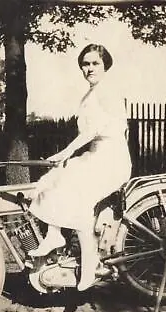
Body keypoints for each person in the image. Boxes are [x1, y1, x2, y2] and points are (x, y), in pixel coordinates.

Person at [28, 43, 132, 291]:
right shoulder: (90, 94)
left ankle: (89, 267)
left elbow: (94, 130)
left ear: (105, 65)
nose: (89, 68)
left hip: (111, 160)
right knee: (52, 179)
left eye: (95, 63)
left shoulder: (107, 90)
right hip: (97, 156)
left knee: (78, 195)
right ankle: (55, 234)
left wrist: (66, 152)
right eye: (85, 64)